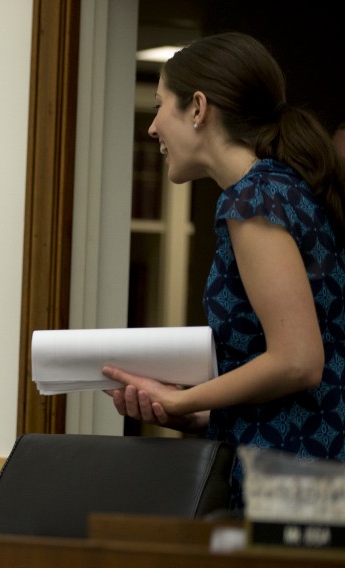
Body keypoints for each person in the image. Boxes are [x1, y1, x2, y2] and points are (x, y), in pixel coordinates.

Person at [102, 32, 345, 510]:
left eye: (160, 105)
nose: (152, 128)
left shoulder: (252, 198)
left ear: (197, 108)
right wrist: (199, 416)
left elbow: (298, 361)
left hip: (297, 485)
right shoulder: (284, 187)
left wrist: (179, 401)